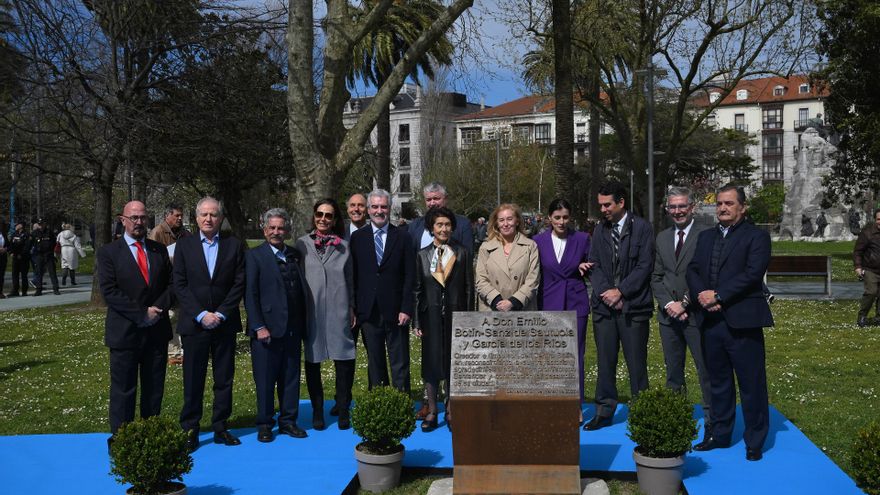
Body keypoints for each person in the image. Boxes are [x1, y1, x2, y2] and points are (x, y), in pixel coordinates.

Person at [687, 184, 773, 462]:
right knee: (719, 383)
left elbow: (752, 274)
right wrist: (703, 296)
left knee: (751, 385)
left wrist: (720, 295)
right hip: (711, 322)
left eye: (729, 204)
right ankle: (719, 435)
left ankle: (755, 441)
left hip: (742, 322)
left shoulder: (757, 237)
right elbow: (693, 269)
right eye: (719, 204)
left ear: (742, 207)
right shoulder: (705, 237)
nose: (722, 208)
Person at [97, 201, 173, 452]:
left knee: (154, 389)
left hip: (156, 330)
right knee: (123, 390)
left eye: (143, 217)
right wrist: (141, 313)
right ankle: (122, 439)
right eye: (134, 217)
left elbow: (171, 286)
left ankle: (150, 434)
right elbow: (109, 291)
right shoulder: (109, 252)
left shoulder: (158, 250)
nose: (139, 222)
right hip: (125, 332)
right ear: (123, 220)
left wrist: (156, 310)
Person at [173, 197, 246, 452]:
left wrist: (222, 313)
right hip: (195, 325)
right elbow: (179, 285)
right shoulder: (183, 246)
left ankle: (220, 426)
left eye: (213, 214)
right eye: (203, 214)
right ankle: (190, 429)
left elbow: (239, 283)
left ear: (221, 218)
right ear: (195, 218)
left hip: (224, 324)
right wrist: (202, 314)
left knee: (224, 378)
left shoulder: (234, 246)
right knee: (193, 379)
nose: (208, 219)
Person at [584, 181, 654, 431]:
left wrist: (621, 291)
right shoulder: (600, 231)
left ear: (621, 202)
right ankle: (604, 410)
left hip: (633, 308)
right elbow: (594, 264)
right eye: (600, 205)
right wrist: (606, 293)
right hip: (604, 308)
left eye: (607, 204)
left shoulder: (643, 228)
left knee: (637, 364)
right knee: (605, 362)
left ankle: (643, 412)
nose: (602, 209)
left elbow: (645, 266)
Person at [406, 182, 474, 419]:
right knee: (431, 363)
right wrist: (416, 321)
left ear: (452, 228)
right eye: (439, 225)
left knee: (454, 363)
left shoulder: (462, 253)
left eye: (447, 225)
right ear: (432, 228)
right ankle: (432, 410)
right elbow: (416, 290)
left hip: (456, 315)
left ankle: (451, 410)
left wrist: (469, 318)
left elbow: (468, 287)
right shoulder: (422, 256)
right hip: (430, 316)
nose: (443, 229)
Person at [650, 186, 713, 440]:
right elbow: (656, 277)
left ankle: (711, 420)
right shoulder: (662, 237)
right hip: (668, 317)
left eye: (682, 206)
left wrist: (685, 303)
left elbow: (706, 274)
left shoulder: (705, 235)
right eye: (672, 207)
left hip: (697, 315)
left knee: (705, 370)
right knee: (673, 370)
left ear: (692, 207)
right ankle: (677, 416)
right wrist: (669, 305)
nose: (677, 211)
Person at [245, 208, 309, 443]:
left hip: (292, 327)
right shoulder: (254, 256)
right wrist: (258, 326)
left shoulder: (293, 255)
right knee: (264, 379)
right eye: (271, 228)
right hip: (266, 330)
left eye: (280, 228)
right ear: (264, 230)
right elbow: (250, 295)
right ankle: (264, 423)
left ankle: (288, 421)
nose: (276, 232)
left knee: (290, 377)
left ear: (287, 231)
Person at [295, 199, 357, 431]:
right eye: (319, 214)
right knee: (313, 361)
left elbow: (350, 279)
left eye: (328, 215)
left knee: (344, 359)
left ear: (335, 220)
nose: (323, 219)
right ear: (314, 217)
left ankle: (343, 409)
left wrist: (351, 307)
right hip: (311, 312)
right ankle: (317, 411)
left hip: (338, 309)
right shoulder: (301, 245)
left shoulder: (344, 246)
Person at [350, 189, 416, 392]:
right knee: (375, 363)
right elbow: (353, 276)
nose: (379, 211)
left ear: (390, 209)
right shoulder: (358, 238)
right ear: (368, 210)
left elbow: (409, 276)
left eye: (384, 207)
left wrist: (406, 308)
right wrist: (354, 308)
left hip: (397, 311)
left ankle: (401, 404)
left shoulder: (403, 237)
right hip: (368, 311)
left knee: (400, 362)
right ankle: (381, 404)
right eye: (375, 207)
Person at [533, 198, 592, 417]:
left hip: (575, 303)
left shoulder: (582, 239)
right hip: (548, 302)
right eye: (557, 217)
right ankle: (551, 401)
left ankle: (575, 404)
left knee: (575, 355)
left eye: (565, 217)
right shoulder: (537, 241)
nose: (561, 221)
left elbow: (593, 266)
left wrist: (586, 267)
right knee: (548, 356)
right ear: (549, 218)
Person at [475, 203, 540, 312]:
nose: (505, 224)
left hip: (522, 310)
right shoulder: (485, 247)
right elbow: (480, 279)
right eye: (501, 220)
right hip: (492, 309)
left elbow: (533, 279)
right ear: (496, 223)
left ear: (517, 221)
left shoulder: (530, 246)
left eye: (509, 219)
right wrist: (496, 300)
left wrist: (514, 301)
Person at [407, 182, 474, 255]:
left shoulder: (463, 224)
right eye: (428, 200)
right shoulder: (415, 225)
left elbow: (468, 256)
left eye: (436, 198)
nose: (432, 203)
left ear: (446, 199)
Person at [853, 209, 880, 327]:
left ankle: (878, 317)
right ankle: (862, 316)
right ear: (875, 220)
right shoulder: (867, 233)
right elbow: (858, 251)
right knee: (871, 292)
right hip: (871, 269)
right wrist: (858, 267)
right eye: (879, 219)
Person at [31, 221, 59, 296]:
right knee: (39, 272)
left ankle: (56, 289)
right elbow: (32, 243)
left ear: (45, 224)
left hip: (48, 254)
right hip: (39, 255)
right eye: (39, 224)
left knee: (52, 272)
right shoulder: (35, 233)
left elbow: (54, 243)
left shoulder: (49, 232)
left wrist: (51, 251)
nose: (41, 226)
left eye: (42, 224)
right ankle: (38, 289)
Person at [7, 222, 31, 297]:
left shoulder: (27, 235)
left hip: (23, 258)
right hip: (15, 258)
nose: (15, 226)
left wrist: (21, 254)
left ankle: (24, 291)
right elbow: (10, 245)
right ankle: (15, 290)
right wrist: (10, 252)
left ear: (21, 226)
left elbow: (27, 246)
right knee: (15, 275)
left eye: (17, 225)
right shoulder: (14, 234)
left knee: (24, 275)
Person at [0, 222, 7, 298]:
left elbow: (8, 244)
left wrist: (5, 249)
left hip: (2, 257)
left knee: (1, 275)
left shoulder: (4, 235)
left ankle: (0, 292)